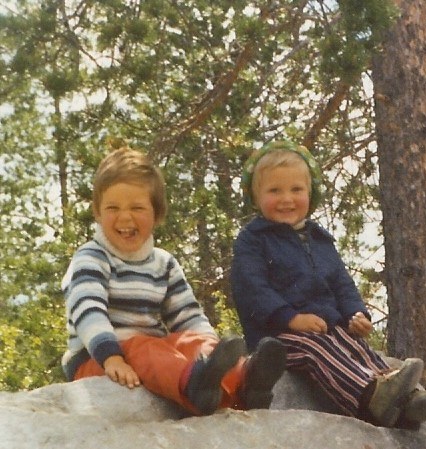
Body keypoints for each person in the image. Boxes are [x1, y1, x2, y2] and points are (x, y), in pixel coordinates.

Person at [62, 146, 287, 416]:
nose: (124, 217)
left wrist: (210, 350)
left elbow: (187, 315)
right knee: (147, 348)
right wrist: (110, 356)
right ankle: (193, 387)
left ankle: (244, 382)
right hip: (95, 357)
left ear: (156, 214)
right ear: (97, 213)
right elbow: (88, 309)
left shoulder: (162, 262)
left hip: (149, 351)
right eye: (112, 208)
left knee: (187, 342)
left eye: (137, 207)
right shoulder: (91, 257)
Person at [231, 140, 426, 429]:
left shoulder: (320, 240)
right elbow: (252, 289)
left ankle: (406, 400)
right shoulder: (253, 239)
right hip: (279, 336)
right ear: (256, 197)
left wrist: (357, 314)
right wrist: (291, 318)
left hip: (327, 327)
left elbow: (342, 284)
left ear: (310, 193)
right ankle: (370, 398)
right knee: (316, 352)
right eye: (274, 191)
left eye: (296, 190)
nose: (286, 199)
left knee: (356, 348)